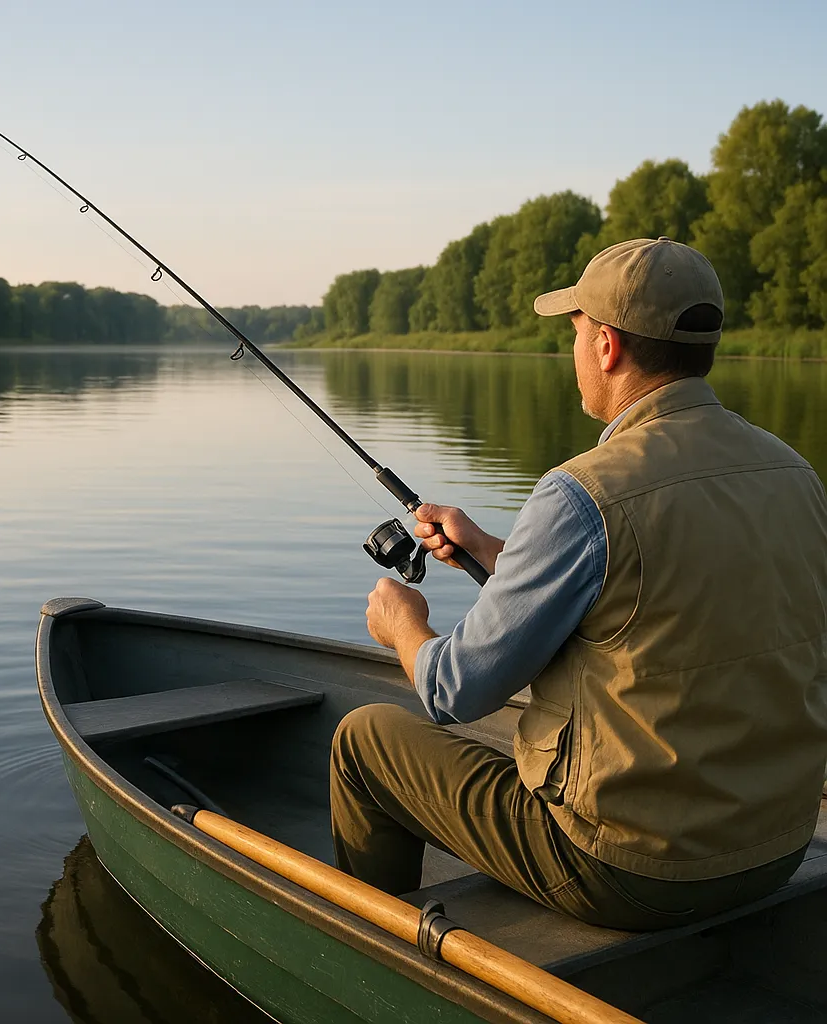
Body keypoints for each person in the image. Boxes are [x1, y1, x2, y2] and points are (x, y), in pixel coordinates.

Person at [330, 237, 827, 930]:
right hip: (775, 848)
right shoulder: (793, 475)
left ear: (606, 346)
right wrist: (495, 551)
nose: (573, 350)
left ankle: (361, 956)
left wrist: (402, 624)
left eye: (574, 331)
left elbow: (453, 690)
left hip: (626, 870)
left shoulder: (581, 494)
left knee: (365, 739)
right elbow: (664, 594)